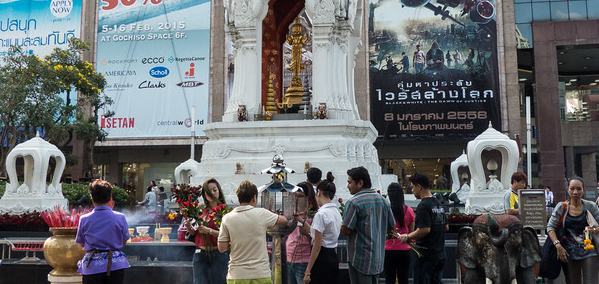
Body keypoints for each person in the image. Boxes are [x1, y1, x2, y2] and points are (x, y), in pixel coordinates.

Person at [218, 180, 288, 284]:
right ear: (255, 198)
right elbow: (284, 220)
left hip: (237, 274)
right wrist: (271, 213)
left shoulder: (227, 218)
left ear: (238, 198)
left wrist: (235, 241)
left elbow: (221, 248)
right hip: (260, 274)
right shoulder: (261, 214)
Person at [341, 166, 395, 284]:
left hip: (359, 259)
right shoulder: (384, 201)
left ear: (360, 183)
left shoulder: (353, 202)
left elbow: (345, 230)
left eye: (350, 182)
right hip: (378, 259)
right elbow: (392, 229)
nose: (347, 186)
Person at [76, 179, 131, 284]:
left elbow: (81, 243)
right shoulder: (120, 217)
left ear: (92, 198)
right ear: (110, 198)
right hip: (115, 266)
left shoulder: (84, 219)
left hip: (92, 267)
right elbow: (124, 242)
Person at [547, 177, 599, 284]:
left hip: (589, 250)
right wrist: (558, 245)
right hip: (568, 252)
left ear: (584, 190)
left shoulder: (590, 206)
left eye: (579, 189)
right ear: (568, 190)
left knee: (591, 281)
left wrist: (593, 229)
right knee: (572, 281)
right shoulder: (562, 207)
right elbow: (550, 227)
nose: (575, 192)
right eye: (572, 188)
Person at [399, 173, 447, 284]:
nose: (412, 190)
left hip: (426, 256)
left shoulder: (423, 206)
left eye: (412, 187)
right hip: (440, 254)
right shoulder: (438, 203)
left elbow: (425, 229)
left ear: (419, 187)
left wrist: (407, 236)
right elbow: (446, 226)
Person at [295, 172, 342, 284]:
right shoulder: (336, 212)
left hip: (321, 258)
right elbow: (314, 232)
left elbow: (317, 244)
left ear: (319, 192)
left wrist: (308, 271)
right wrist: (301, 221)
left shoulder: (321, 214)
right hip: (332, 255)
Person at [184, 178, 229, 284]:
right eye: (209, 191)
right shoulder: (200, 210)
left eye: (215, 190)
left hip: (218, 253)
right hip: (200, 253)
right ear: (204, 194)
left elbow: (227, 235)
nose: (213, 193)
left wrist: (209, 231)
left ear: (219, 191)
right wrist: (190, 228)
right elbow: (195, 233)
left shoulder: (224, 212)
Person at [285, 182, 318, 284]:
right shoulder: (291, 211)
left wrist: (306, 232)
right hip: (289, 257)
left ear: (308, 198)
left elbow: (316, 240)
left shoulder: (313, 215)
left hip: (304, 259)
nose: (296, 199)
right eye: (295, 196)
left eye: (300, 197)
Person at [385, 182, 415, 284]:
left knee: (389, 279)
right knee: (404, 279)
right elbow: (412, 232)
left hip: (388, 249)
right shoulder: (409, 211)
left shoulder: (386, 210)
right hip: (405, 249)